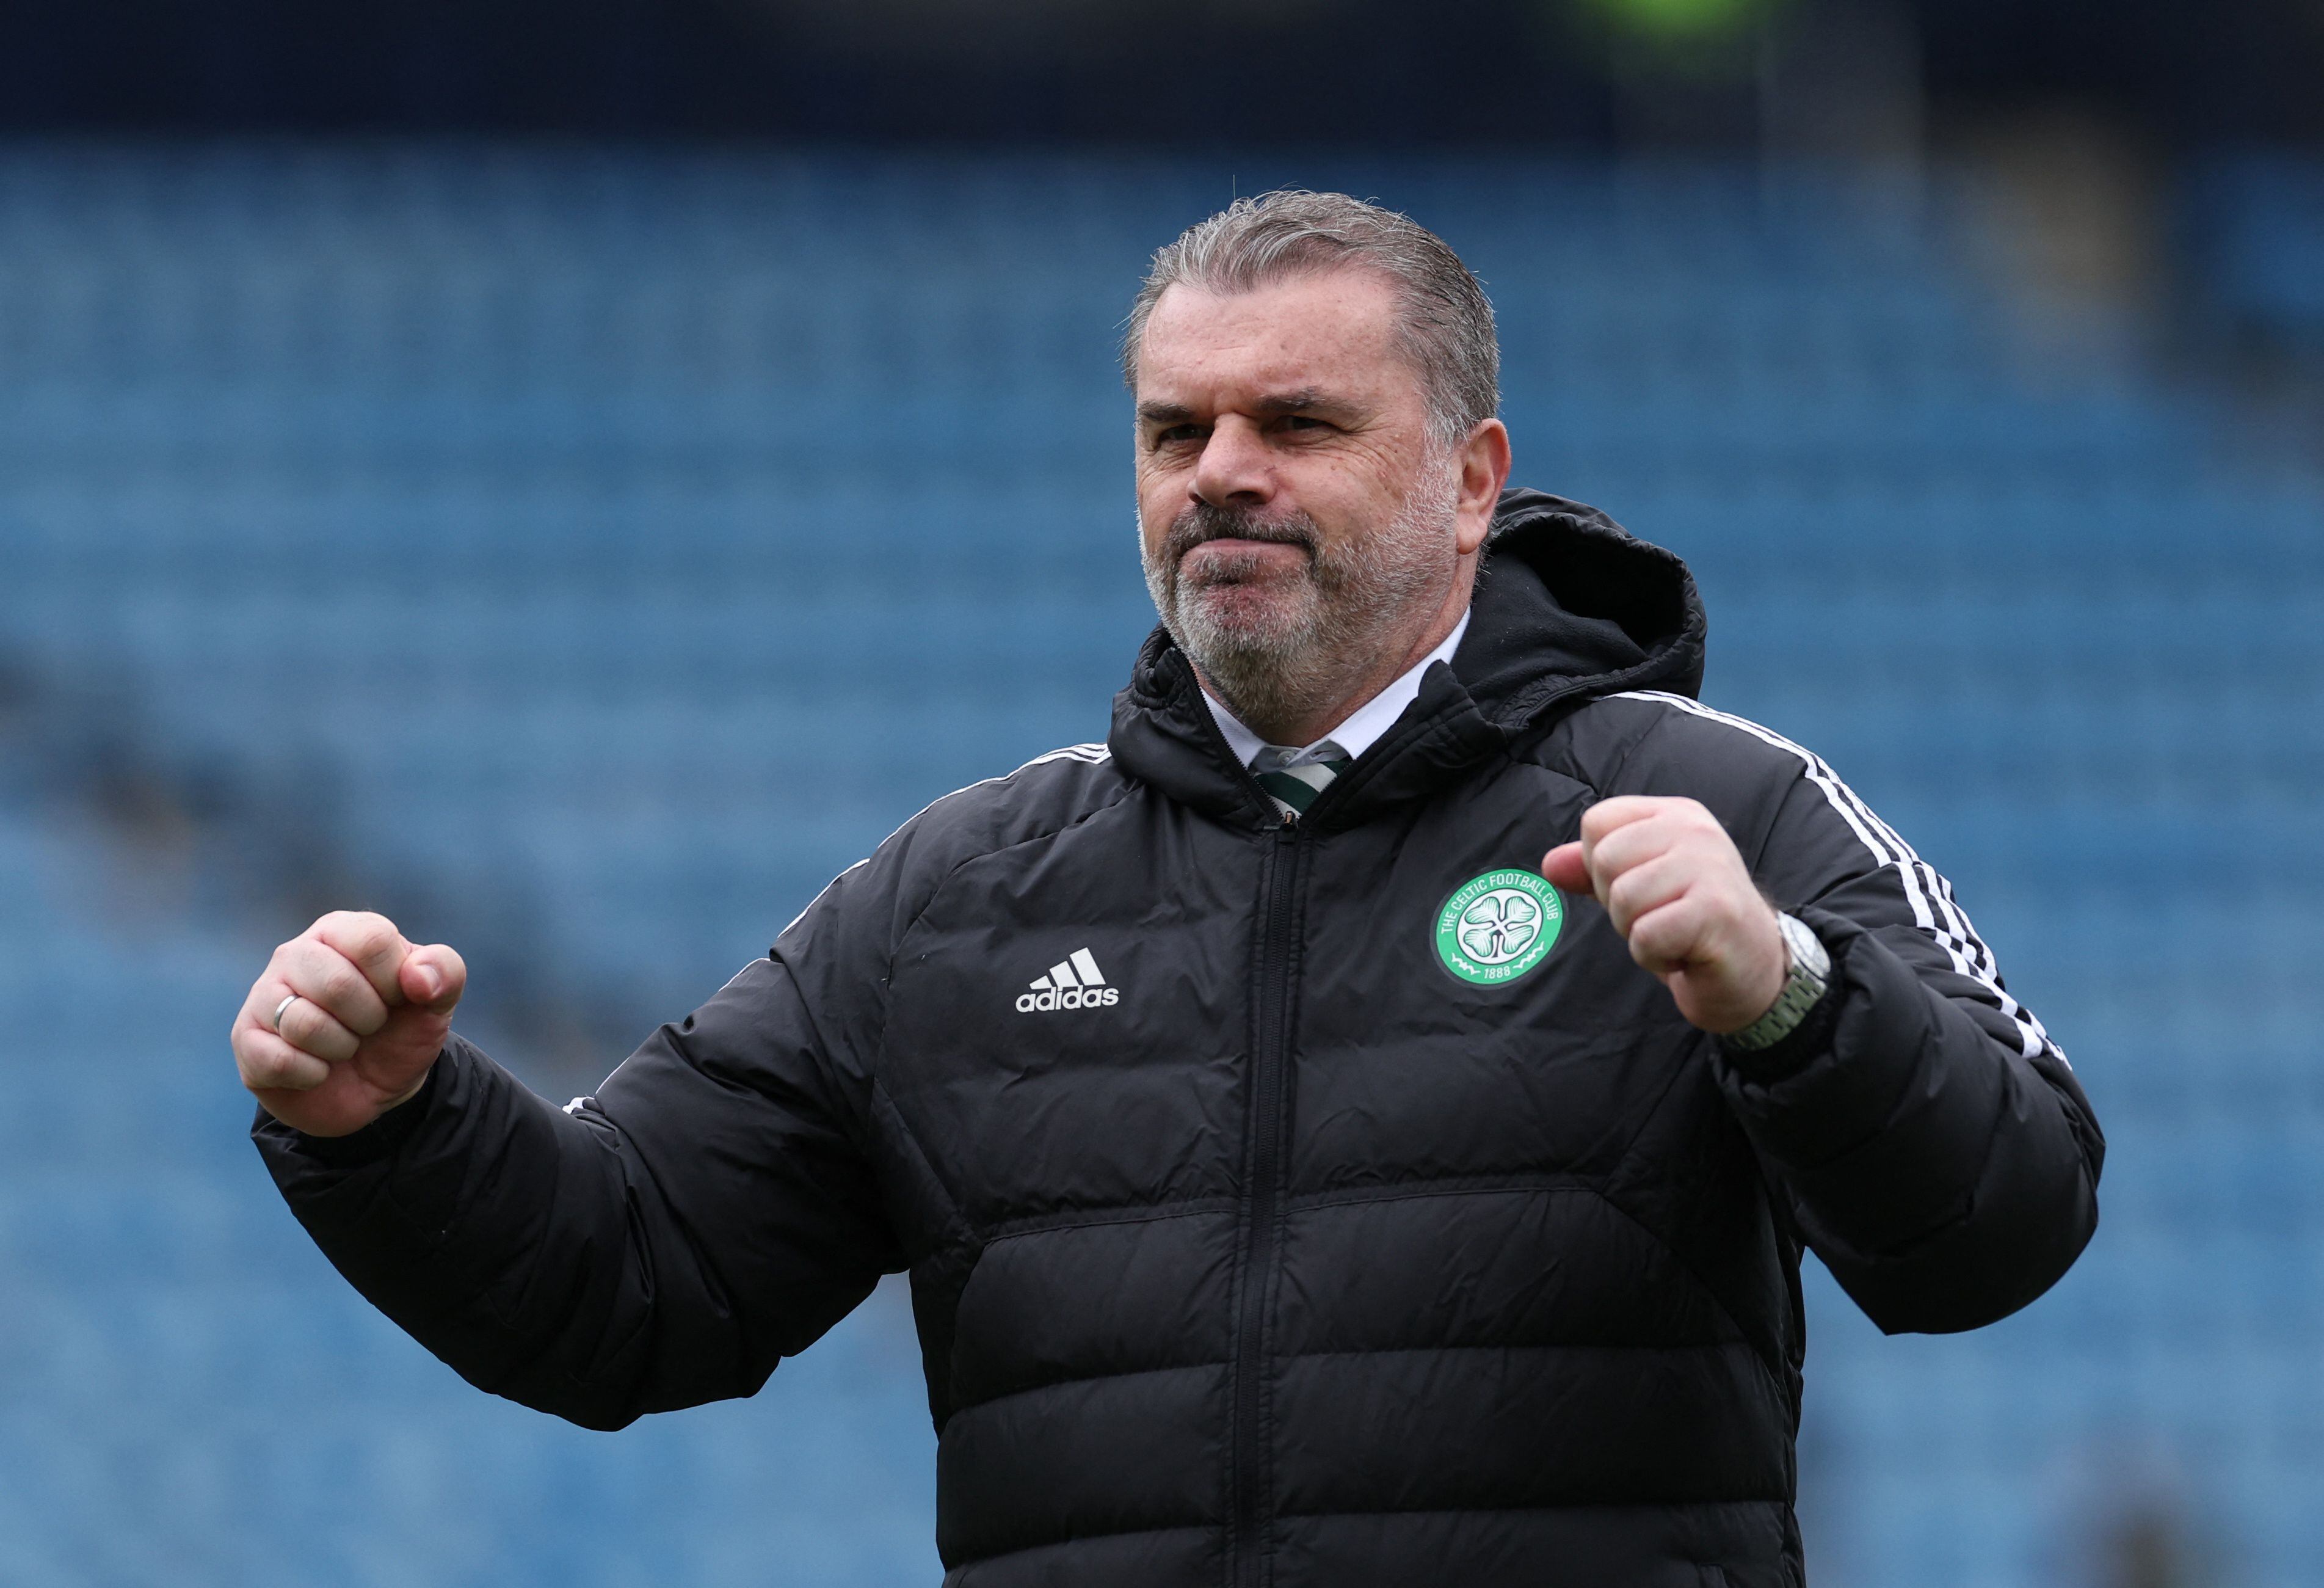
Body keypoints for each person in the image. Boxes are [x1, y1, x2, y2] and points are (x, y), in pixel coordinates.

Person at [236, 191, 2104, 1587]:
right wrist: (398, 1132)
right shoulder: (960, 894)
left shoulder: (1713, 804)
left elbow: (2006, 1221)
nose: (1222, 474)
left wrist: (1791, 1004)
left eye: (1297, 424)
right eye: (1173, 431)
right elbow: (630, 1287)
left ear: (1471, 483)